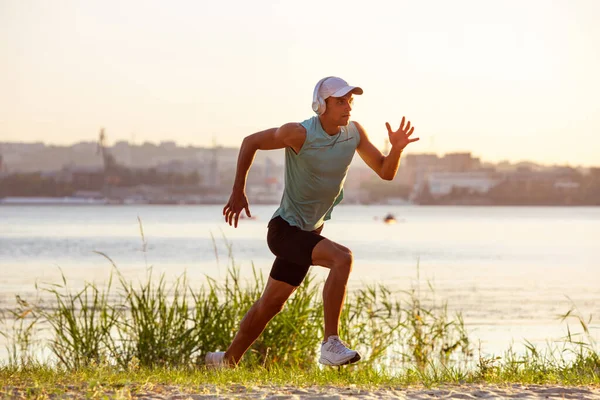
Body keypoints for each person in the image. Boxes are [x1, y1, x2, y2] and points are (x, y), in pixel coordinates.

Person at [206, 76, 419, 367]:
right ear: (321, 105)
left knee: (270, 305)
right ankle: (330, 343)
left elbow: (385, 172)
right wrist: (237, 190)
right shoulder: (298, 134)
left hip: (307, 232)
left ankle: (226, 360)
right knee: (342, 258)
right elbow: (250, 142)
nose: (348, 107)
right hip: (284, 231)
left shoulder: (354, 133)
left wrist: (395, 150)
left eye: (350, 101)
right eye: (340, 101)